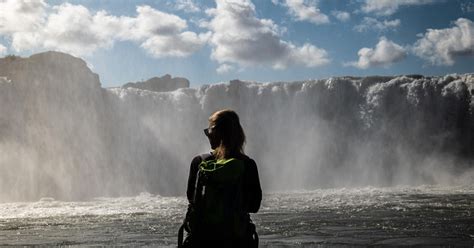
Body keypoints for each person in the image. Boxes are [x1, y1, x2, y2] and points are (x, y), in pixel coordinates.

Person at [178, 109, 262, 248]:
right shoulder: (248, 165)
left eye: (209, 131)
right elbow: (254, 206)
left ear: (217, 133)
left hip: (203, 239)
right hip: (237, 240)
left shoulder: (200, 162)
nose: (208, 135)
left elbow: (192, 199)